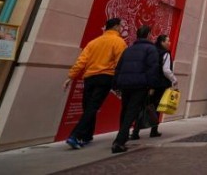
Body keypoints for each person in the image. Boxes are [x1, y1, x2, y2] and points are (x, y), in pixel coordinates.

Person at [63, 17, 127, 149]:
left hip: (89, 77)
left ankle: (87, 136)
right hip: (105, 77)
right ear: (115, 27)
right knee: (92, 108)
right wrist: (119, 82)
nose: (121, 28)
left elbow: (82, 60)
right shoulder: (119, 42)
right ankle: (75, 135)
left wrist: (71, 76)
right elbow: (120, 63)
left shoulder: (93, 42)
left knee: (88, 107)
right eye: (120, 26)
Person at [111, 25, 161, 154]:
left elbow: (119, 67)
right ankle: (119, 141)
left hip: (126, 84)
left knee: (125, 110)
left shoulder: (129, 49)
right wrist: (151, 85)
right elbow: (153, 69)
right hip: (140, 85)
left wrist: (116, 84)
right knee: (132, 111)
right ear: (149, 35)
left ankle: (121, 136)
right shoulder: (151, 49)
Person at [131, 34, 178, 140]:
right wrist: (174, 79)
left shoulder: (152, 51)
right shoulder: (165, 53)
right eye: (167, 41)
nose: (169, 43)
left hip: (148, 83)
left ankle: (136, 131)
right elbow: (166, 70)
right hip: (160, 84)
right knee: (156, 107)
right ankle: (154, 130)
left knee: (143, 106)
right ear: (162, 42)